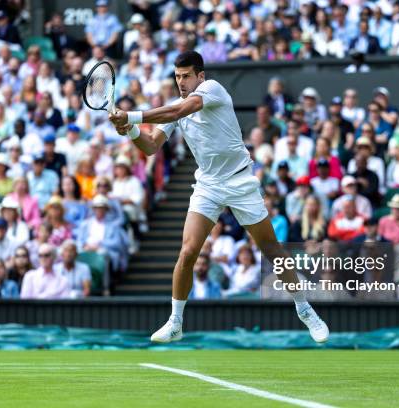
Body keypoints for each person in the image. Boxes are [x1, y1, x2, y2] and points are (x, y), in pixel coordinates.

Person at [109, 51, 328, 343]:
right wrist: (132, 129)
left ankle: (304, 309)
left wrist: (132, 115)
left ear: (200, 76)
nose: (181, 82)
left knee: (271, 249)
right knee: (188, 252)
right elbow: (150, 146)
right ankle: (175, 321)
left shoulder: (211, 90)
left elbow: (177, 112)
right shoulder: (176, 105)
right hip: (208, 185)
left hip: (239, 180)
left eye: (186, 76)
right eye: (177, 77)